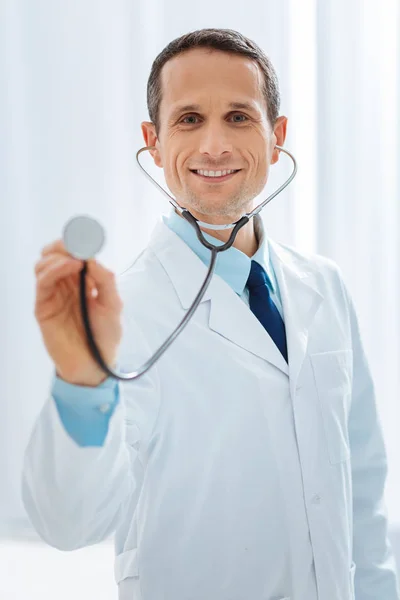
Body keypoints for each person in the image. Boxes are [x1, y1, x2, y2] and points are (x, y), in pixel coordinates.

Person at [22, 28, 399, 600]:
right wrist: (81, 380)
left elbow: (364, 487)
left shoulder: (324, 284)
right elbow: (70, 523)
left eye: (240, 117)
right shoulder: (122, 314)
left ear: (278, 137)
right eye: (190, 119)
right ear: (153, 141)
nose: (214, 146)